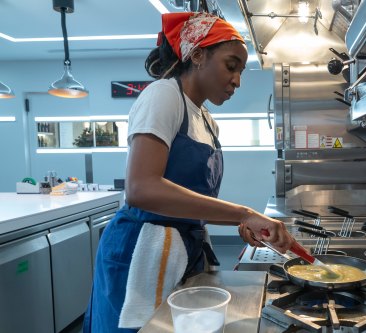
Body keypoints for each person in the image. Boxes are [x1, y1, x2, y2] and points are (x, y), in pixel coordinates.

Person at [83, 12, 296, 332]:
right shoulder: (163, 95)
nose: (237, 79)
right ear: (197, 55)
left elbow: (189, 201)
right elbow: (141, 189)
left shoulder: (207, 121)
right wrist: (244, 213)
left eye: (241, 70)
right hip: (141, 252)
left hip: (183, 250)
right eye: (231, 65)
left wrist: (240, 221)